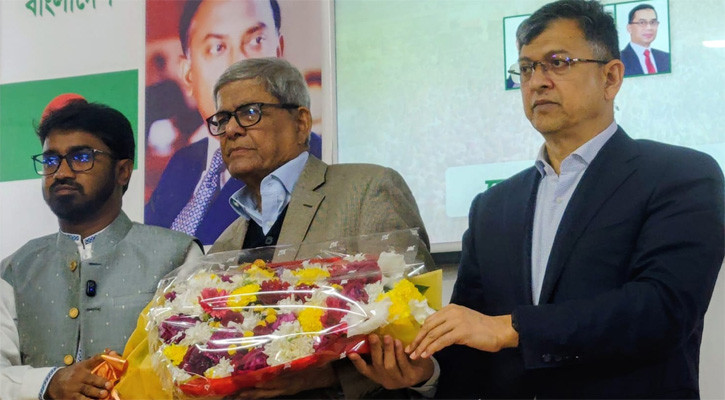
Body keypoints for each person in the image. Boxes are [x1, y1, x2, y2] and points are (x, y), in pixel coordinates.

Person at [406, 0, 724, 398]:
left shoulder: (680, 175)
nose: (537, 81)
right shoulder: (492, 207)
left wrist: (513, 328)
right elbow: (472, 344)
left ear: (611, 77)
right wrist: (423, 372)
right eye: (526, 68)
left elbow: (663, 309)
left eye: (557, 63)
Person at [119, 57, 437, 399]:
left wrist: (321, 376)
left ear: (301, 123)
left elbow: (415, 331)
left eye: (249, 113)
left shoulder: (367, 190)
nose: (231, 130)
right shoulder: (224, 247)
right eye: (222, 119)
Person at [0, 98, 202, 400]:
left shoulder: (177, 255)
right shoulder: (14, 270)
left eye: (81, 157)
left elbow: (197, 365)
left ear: (123, 171)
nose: (61, 172)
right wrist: (49, 383)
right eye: (51, 160)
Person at [144, 0, 322, 245]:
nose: (239, 65)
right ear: (188, 74)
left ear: (280, 53)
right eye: (217, 47)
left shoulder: (312, 160)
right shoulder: (182, 164)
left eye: (256, 41)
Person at [621, 3, 671, 76]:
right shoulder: (619, 59)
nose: (649, 28)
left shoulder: (667, 58)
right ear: (629, 28)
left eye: (653, 22)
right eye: (642, 22)